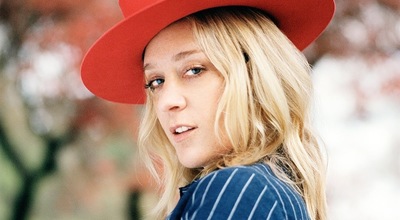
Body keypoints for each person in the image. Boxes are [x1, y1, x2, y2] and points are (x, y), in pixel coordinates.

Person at [81, 0, 335, 219]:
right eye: (156, 82)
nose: (167, 101)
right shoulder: (268, 192)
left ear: (254, 76)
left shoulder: (239, 192)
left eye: (194, 70)